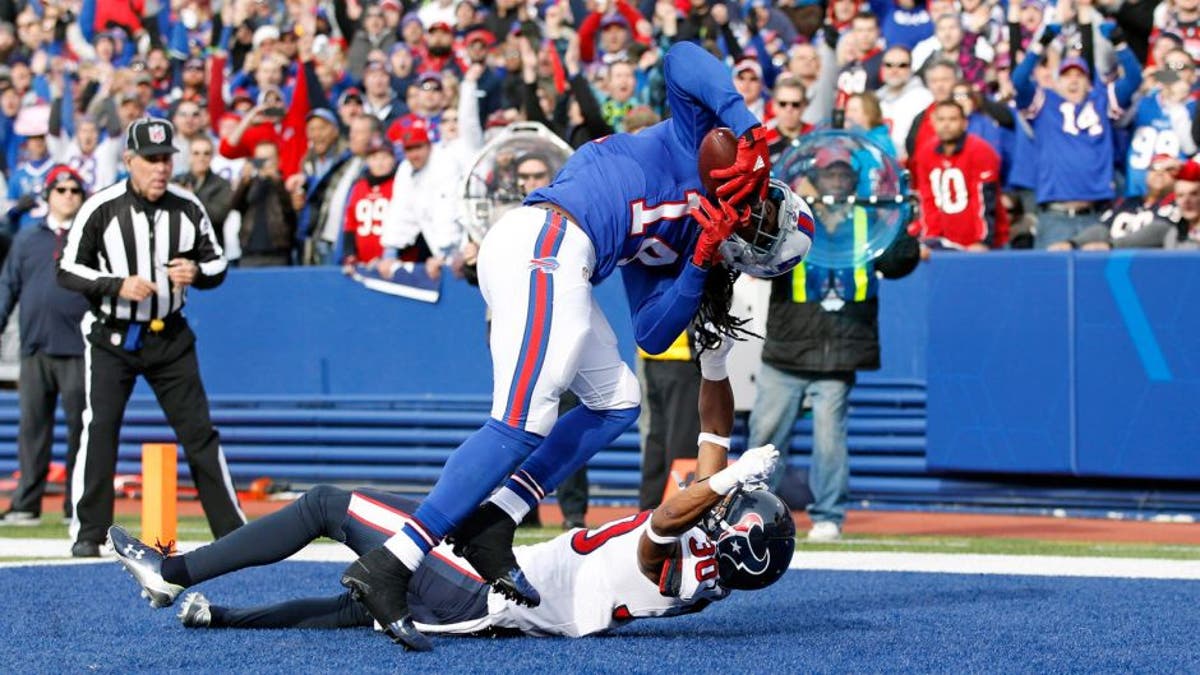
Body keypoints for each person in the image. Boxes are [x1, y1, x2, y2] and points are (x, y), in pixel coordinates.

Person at [340, 41, 811, 650]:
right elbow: (681, 57)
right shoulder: (710, 145)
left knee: (617, 400)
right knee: (520, 423)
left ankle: (496, 519)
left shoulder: (692, 237)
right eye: (767, 214)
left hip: (567, 261)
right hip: (547, 239)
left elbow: (652, 332)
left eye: (762, 231)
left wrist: (697, 263)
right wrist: (744, 125)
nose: (757, 216)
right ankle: (393, 562)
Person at [108, 336, 793, 641]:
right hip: (490, 600)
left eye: (734, 507)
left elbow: (672, 514)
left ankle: (171, 571)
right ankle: (218, 616)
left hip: (483, 591)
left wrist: (731, 477)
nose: (726, 499)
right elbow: (711, 442)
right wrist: (715, 356)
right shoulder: (710, 570)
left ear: (736, 535)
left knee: (326, 505)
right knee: (355, 609)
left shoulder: (672, 567)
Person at [57, 117, 245, 558]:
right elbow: (67, 270)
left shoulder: (188, 206)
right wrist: (116, 283)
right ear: (129, 161)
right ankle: (89, 533)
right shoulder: (100, 207)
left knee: (199, 433)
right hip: (112, 336)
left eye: (166, 159)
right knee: (100, 429)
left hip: (170, 336)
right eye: (151, 159)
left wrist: (196, 274)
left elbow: (218, 266)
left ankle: (232, 531)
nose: (160, 168)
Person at [749, 144, 920, 543]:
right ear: (816, 176)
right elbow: (760, 258)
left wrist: (903, 228)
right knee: (765, 437)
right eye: (831, 174)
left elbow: (898, 265)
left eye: (845, 174)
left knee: (830, 439)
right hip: (788, 345)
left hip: (839, 349)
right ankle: (751, 509)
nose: (838, 181)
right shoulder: (793, 218)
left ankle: (828, 515)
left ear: (854, 179)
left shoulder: (871, 220)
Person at [0, 166, 90, 526]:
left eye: (75, 190)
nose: (68, 195)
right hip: (35, 348)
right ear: (48, 194)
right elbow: (8, 286)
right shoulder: (27, 239)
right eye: (62, 189)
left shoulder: (90, 238)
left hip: (79, 348)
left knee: (81, 430)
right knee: (33, 429)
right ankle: (26, 504)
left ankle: (77, 504)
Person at [910, 100, 1007, 250]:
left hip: (979, 242)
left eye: (952, 119)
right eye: (941, 119)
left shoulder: (981, 151)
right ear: (933, 123)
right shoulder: (925, 153)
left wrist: (982, 241)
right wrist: (930, 238)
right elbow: (927, 199)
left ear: (964, 123)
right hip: (943, 241)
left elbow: (985, 200)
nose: (946, 125)